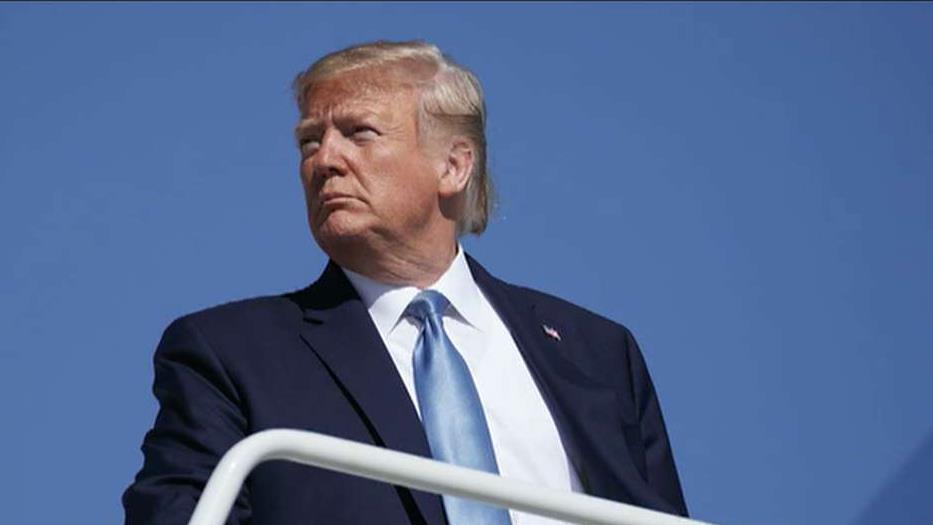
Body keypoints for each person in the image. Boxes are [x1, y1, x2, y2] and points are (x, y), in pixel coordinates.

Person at [123, 40, 688, 525]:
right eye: (309, 141)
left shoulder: (598, 351)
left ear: (454, 166)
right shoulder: (231, 353)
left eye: (359, 133)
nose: (325, 160)